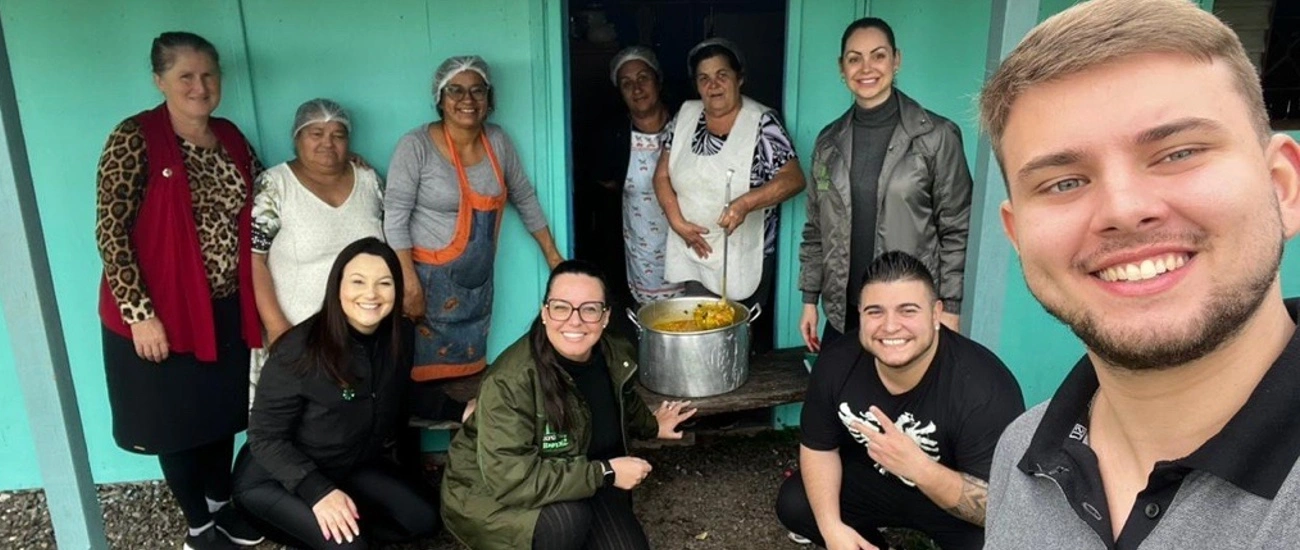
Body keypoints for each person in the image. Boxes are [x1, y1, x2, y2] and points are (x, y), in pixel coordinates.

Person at [979, 0, 1300, 547]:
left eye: (1178, 153)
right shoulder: (1020, 452)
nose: (1123, 210)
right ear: (1018, 237)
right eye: (1063, 182)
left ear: (1282, 186)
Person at [94, 31, 265, 550]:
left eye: (208, 74)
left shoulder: (231, 137)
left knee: (218, 415)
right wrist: (139, 314)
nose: (199, 86)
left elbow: (266, 201)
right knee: (175, 423)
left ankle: (220, 504)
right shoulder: (135, 137)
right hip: (159, 312)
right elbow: (110, 231)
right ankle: (197, 526)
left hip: (223, 308)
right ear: (160, 80)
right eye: (185, 76)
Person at [441, 260, 697, 549]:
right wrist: (606, 472)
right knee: (567, 521)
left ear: (605, 316)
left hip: (576, 477)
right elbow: (511, 480)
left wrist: (652, 426)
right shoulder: (510, 381)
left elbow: (623, 398)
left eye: (589, 309)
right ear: (545, 312)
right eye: (562, 307)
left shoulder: (614, 352)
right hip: (492, 494)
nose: (575, 321)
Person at [775, 251, 1023, 550]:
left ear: (935, 314)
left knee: (1000, 543)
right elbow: (818, 447)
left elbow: (997, 508)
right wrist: (832, 529)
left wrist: (919, 468)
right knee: (796, 503)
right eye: (875, 311)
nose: (890, 326)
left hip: (948, 497)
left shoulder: (984, 388)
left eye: (908, 311)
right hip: (874, 483)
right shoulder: (837, 362)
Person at [232, 238, 467, 549]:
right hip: (275, 479)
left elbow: (400, 391)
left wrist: (459, 410)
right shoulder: (297, 351)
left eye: (383, 283)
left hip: (349, 465)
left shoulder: (399, 335)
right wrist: (317, 491)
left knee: (424, 519)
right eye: (358, 281)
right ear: (337, 287)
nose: (370, 294)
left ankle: (342, 531)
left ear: (396, 289)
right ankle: (320, 531)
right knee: (352, 546)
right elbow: (264, 437)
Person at [385, 55, 565, 382]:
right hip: (425, 285)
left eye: (477, 90)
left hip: (477, 288)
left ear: (489, 99)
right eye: (455, 90)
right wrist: (407, 282)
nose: (467, 99)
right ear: (439, 99)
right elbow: (394, 217)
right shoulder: (416, 146)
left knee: (468, 378)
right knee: (420, 382)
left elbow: (524, 197)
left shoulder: (497, 141)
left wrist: (554, 258)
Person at [799, 18, 973, 352]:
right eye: (854, 58)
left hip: (907, 314)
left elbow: (957, 230)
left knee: (903, 402)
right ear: (842, 67)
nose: (866, 68)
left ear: (896, 60)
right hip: (846, 312)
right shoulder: (828, 142)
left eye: (878, 56)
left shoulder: (935, 136)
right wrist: (809, 300)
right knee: (841, 401)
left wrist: (950, 308)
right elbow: (815, 230)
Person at [652, 38, 805, 350]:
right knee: (697, 332)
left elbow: (794, 179)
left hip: (743, 252)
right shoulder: (685, 117)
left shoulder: (762, 122)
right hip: (694, 247)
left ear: (740, 78)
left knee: (732, 339)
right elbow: (662, 175)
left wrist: (745, 203)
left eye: (722, 75)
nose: (714, 85)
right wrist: (677, 221)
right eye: (704, 78)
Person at [249, 98, 384, 400]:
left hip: (364, 338)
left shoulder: (369, 180)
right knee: (306, 427)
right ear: (297, 138)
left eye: (338, 134)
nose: (328, 143)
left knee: (361, 422)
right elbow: (253, 261)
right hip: (299, 337)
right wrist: (277, 329)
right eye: (316, 134)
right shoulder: (275, 185)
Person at [594, 46, 685, 309]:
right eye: (626, 83)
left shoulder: (686, 124)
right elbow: (607, 184)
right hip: (641, 244)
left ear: (658, 80)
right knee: (651, 319)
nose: (637, 88)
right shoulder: (615, 135)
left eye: (643, 78)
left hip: (689, 242)